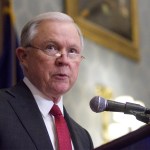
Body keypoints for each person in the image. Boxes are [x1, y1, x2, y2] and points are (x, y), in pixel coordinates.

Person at [0, 12, 94, 150]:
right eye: (51, 47)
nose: (64, 60)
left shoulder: (84, 138)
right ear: (24, 57)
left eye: (72, 51)